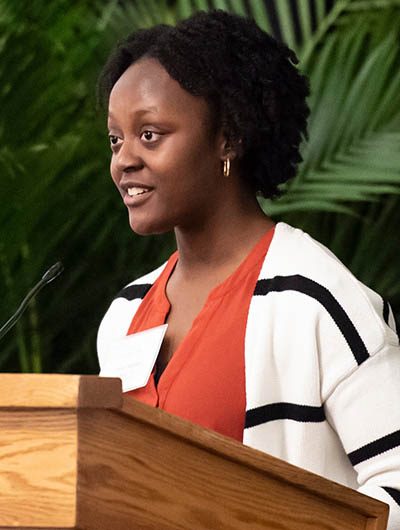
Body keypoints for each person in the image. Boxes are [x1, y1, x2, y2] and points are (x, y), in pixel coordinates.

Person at [96, 10, 400, 528]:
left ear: (229, 137)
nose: (123, 159)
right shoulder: (125, 315)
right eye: (116, 139)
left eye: (150, 134)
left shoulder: (313, 297)